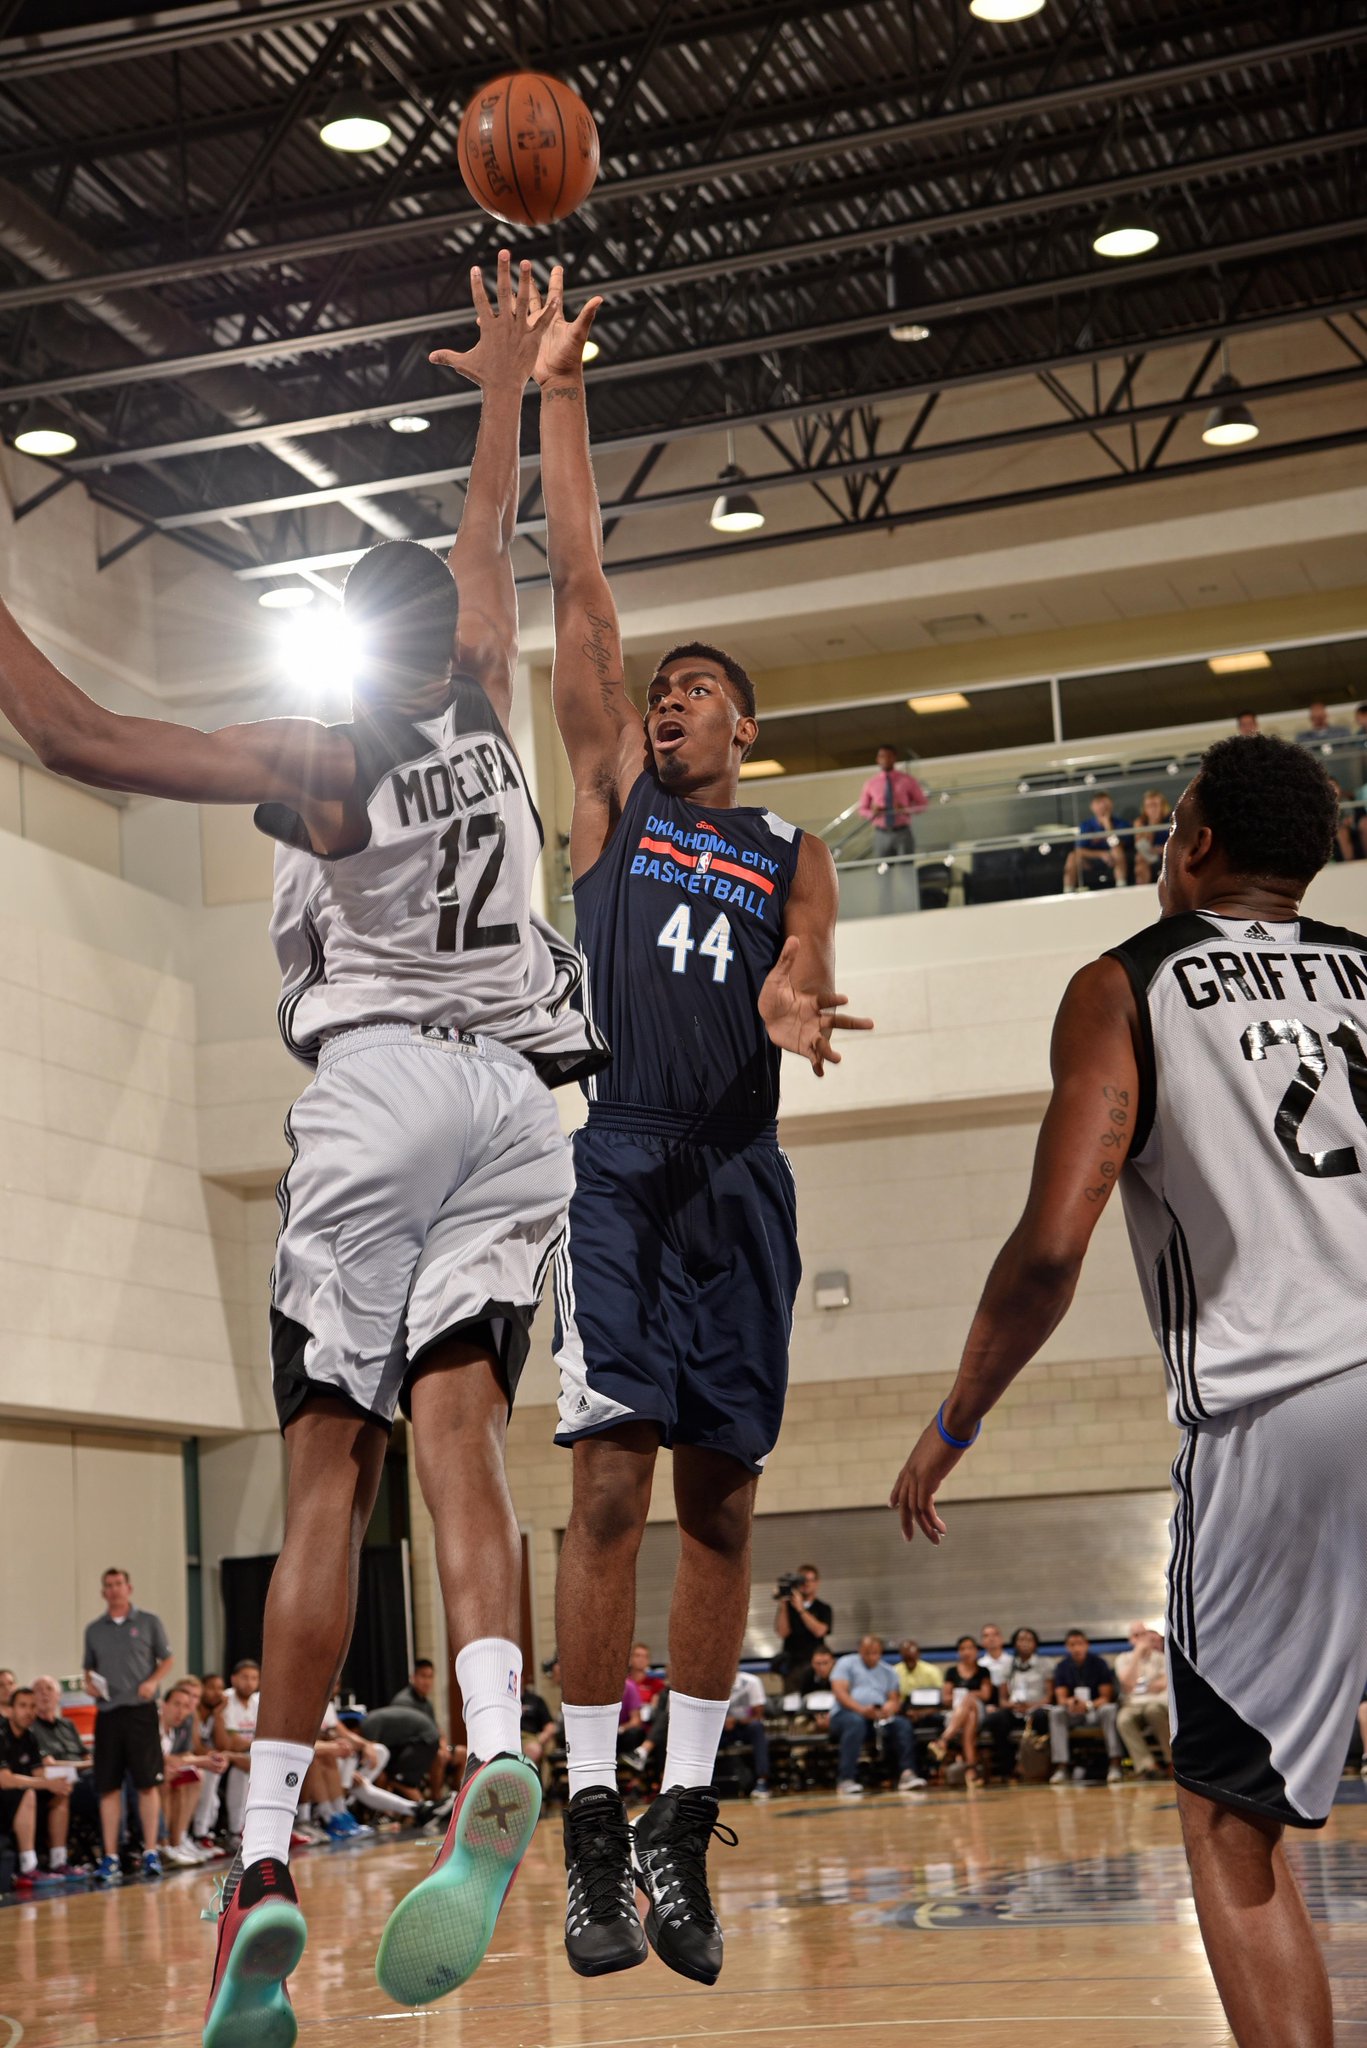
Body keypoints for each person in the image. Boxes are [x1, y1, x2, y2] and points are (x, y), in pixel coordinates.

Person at [0, 254, 606, 2037]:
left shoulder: (325, 758)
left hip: (380, 1100)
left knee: (326, 1470)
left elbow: (72, 731)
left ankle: (261, 1849)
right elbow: (481, 542)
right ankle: (499, 1745)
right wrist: (503, 383)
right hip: (519, 1111)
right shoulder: (483, 693)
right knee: (466, 1442)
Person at [890, 732, 1366, 2048]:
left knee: (1227, 1823)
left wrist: (954, 1419)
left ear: (1195, 844)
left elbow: (1049, 1248)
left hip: (1286, 1405)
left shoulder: (1123, 986)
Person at [535, 271, 870, 1988]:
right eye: (655, 690)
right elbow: (581, 587)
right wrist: (560, 388)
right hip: (621, 1154)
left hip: (741, 1171)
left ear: (745, 727)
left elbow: (808, 944)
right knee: (607, 1488)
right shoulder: (606, 806)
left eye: (695, 691)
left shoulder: (782, 842)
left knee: (724, 1506)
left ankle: (680, 1818)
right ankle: (590, 1823)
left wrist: (799, 1000)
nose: (664, 701)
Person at [82, 1567, 174, 1884]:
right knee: (108, 1785)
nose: (114, 1590)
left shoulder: (148, 1622)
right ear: (103, 1592)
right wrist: (89, 1686)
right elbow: (88, 1669)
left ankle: (150, 1850)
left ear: (129, 1588)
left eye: (118, 1584)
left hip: (140, 1711)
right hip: (108, 1714)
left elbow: (168, 1659)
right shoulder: (94, 1630)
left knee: (147, 1782)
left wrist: (152, 1682)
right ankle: (110, 1856)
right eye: (108, 1585)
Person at [0, 1686, 73, 1889]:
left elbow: (38, 1772)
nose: (29, 1711)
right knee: (29, 1793)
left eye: (33, 1706)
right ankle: (28, 1867)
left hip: (20, 1794)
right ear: (11, 1709)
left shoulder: (30, 1736)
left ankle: (58, 1860)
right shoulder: (2, 1733)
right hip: (5, 1796)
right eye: (23, 1706)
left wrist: (59, 1783)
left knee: (60, 1793)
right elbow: (5, 1780)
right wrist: (45, 1783)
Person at [830, 1637, 917, 1796]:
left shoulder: (888, 1671)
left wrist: (887, 1709)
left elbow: (893, 1698)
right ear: (860, 1651)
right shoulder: (845, 1663)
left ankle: (907, 1774)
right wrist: (862, 1710)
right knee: (855, 1723)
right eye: (867, 1653)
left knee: (902, 1724)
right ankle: (846, 1779)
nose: (872, 1657)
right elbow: (840, 1693)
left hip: (876, 1717)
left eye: (875, 1653)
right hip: (846, 1715)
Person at [1045, 1632, 1123, 1784]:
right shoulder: (1062, 1666)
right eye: (1072, 1644)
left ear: (1087, 1644)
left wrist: (1088, 1705)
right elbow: (1061, 1697)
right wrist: (1071, 1702)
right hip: (1074, 1713)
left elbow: (1106, 1696)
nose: (1076, 1648)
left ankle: (1115, 1764)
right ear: (1067, 1647)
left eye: (1079, 1643)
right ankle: (1061, 1767)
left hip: (1094, 1710)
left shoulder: (1099, 1663)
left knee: (1110, 1709)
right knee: (1056, 1712)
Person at [982, 1627, 1050, 1781]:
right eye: (1021, 1639)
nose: (1025, 1643)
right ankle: (1009, 1767)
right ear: (1014, 1643)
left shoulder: (1044, 1664)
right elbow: (1002, 1699)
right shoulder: (1008, 1666)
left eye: (1029, 1640)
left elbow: (1049, 1696)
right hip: (1015, 1709)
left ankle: (1039, 1765)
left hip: (1037, 1708)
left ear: (1035, 1644)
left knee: (1041, 1718)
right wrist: (1011, 1705)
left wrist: (1032, 1705)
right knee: (996, 1719)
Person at [928, 1637, 994, 1784]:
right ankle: (971, 1768)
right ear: (958, 1652)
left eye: (970, 1648)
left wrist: (968, 1695)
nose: (966, 1652)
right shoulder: (951, 1671)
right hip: (956, 1713)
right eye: (963, 1648)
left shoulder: (983, 1671)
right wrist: (961, 1698)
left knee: (970, 1702)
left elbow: (986, 1694)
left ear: (976, 1651)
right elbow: (946, 1698)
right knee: (969, 1716)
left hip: (979, 1710)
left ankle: (943, 1740)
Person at [1115, 1623, 1171, 1781]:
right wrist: (1137, 1656)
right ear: (1131, 1639)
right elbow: (1127, 1684)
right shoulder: (1123, 1659)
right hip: (1132, 1704)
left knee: (1153, 1711)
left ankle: (1170, 1761)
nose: (1141, 1639)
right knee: (1123, 1719)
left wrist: (1148, 1686)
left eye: (1143, 1634)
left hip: (1156, 1702)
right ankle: (1147, 1766)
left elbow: (1162, 1684)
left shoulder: (1161, 1658)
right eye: (1136, 1635)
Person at [857, 745, 928, 860]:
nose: (885, 759)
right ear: (877, 759)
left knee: (907, 868)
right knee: (882, 870)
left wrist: (905, 809)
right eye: (882, 756)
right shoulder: (871, 783)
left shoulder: (907, 780)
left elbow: (923, 804)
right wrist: (873, 812)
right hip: (881, 833)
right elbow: (862, 810)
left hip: (903, 832)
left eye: (889, 756)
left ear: (894, 758)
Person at [773, 1567, 833, 1690]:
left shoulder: (823, 1608)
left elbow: (820, 1631)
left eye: (810, 1580)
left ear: (817, 1583)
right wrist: (783, 1604)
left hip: (816, 1666)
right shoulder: (787, 1608)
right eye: (802, 1580)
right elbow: (782, 1632)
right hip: (793, 1665)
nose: (806, 1584)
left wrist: (801, 1609)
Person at [721, 1670, 771, 1799]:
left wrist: (735, 1721)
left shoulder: (751, 1682)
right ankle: (701, 1784)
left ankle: (762, 1781)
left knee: (757, 1727)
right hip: (720, 1728)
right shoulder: (711, 1682)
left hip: (744, 1727)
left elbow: (758, 1715)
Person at [1063, 791, 1126, 891]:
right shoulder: (1086, 825)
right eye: (1098, 803)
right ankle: (1067, 891)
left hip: (1113, 860)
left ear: (1111, 805)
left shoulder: (1120, 823)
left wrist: (1107, 825)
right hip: (1091, 861)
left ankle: (1122, 886)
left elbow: (1118, 846)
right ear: (1092, 807)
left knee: (1117, 851)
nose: (1102, 807)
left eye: (1105, 804)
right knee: (1072, 856)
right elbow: (1079, 850)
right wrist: (1101, 854)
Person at [1130, 791, 1172, 888]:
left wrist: (1162, 849)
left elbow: (1177, 843)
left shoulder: (1171, 820)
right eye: (1149, 806)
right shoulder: (1140, 822)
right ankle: (1142, 891)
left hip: (1167, 854)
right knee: (1140, 859)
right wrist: (1153, 824)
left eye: (1156, 805)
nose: (1153, 809)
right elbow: (1141, 845)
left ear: (1163, 806)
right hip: (1148, 855)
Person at [978, 1624, 1012, 1691]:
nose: (991, 1638)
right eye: (986, 1636)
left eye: (995, 1634)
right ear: (982, 1642)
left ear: (1002, 1639)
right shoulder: (979, 1665)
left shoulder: (1012, 1661)